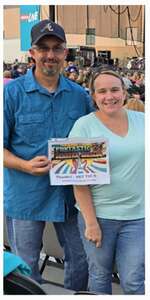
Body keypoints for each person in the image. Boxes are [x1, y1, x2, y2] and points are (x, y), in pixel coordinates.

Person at [4, 19, 95, 290]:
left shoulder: (79, 96)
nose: (50, 55)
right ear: (32, 53)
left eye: (57, 48)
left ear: (65, 53)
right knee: (26, 265)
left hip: (69, 195)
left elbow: (92, 143)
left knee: (80, 260)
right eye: (43, 48)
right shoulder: (12, 94)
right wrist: (24, 165)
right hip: (26, 194)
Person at [69, 68, 145, 294]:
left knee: (133, 279)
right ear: (93, 96)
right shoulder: (84, 126)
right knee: (100, 277)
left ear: (124, 92)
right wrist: (91, 223)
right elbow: (79, 181)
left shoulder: (143, 120)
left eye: (114, 90)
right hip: (100, 216)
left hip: (138, 217)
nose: (109, 96)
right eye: (102, 91)